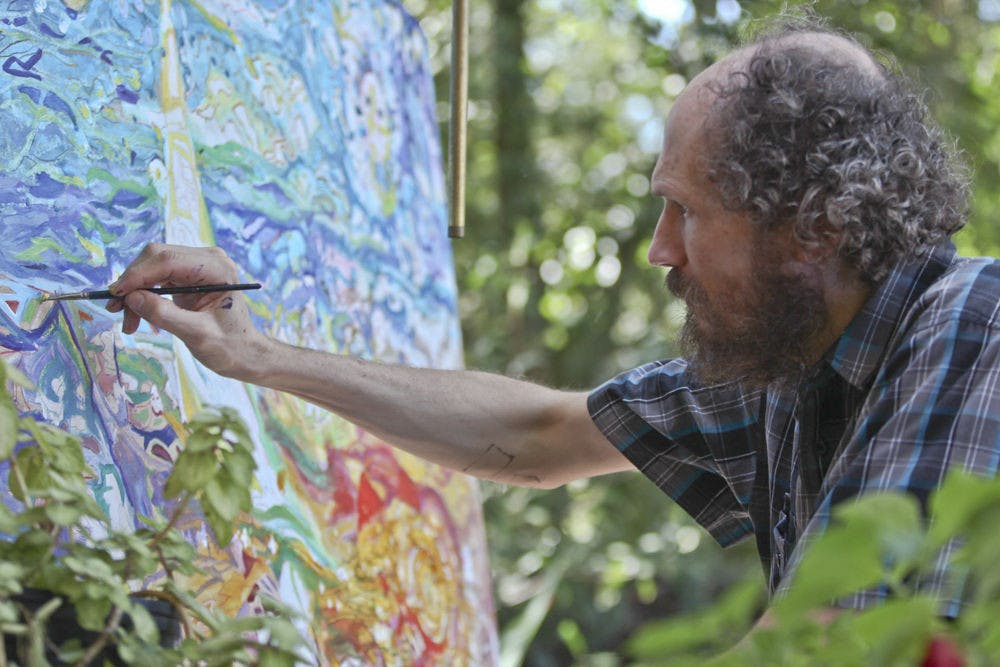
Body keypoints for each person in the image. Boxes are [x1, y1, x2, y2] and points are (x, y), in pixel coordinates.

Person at [107, 20, 999, 619]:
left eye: (686, 211)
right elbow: (540, 436)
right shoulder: (797, 368)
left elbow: (826, 644)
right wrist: (253, 353)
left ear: (815, 226)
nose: (660, 250)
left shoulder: (975, 328)